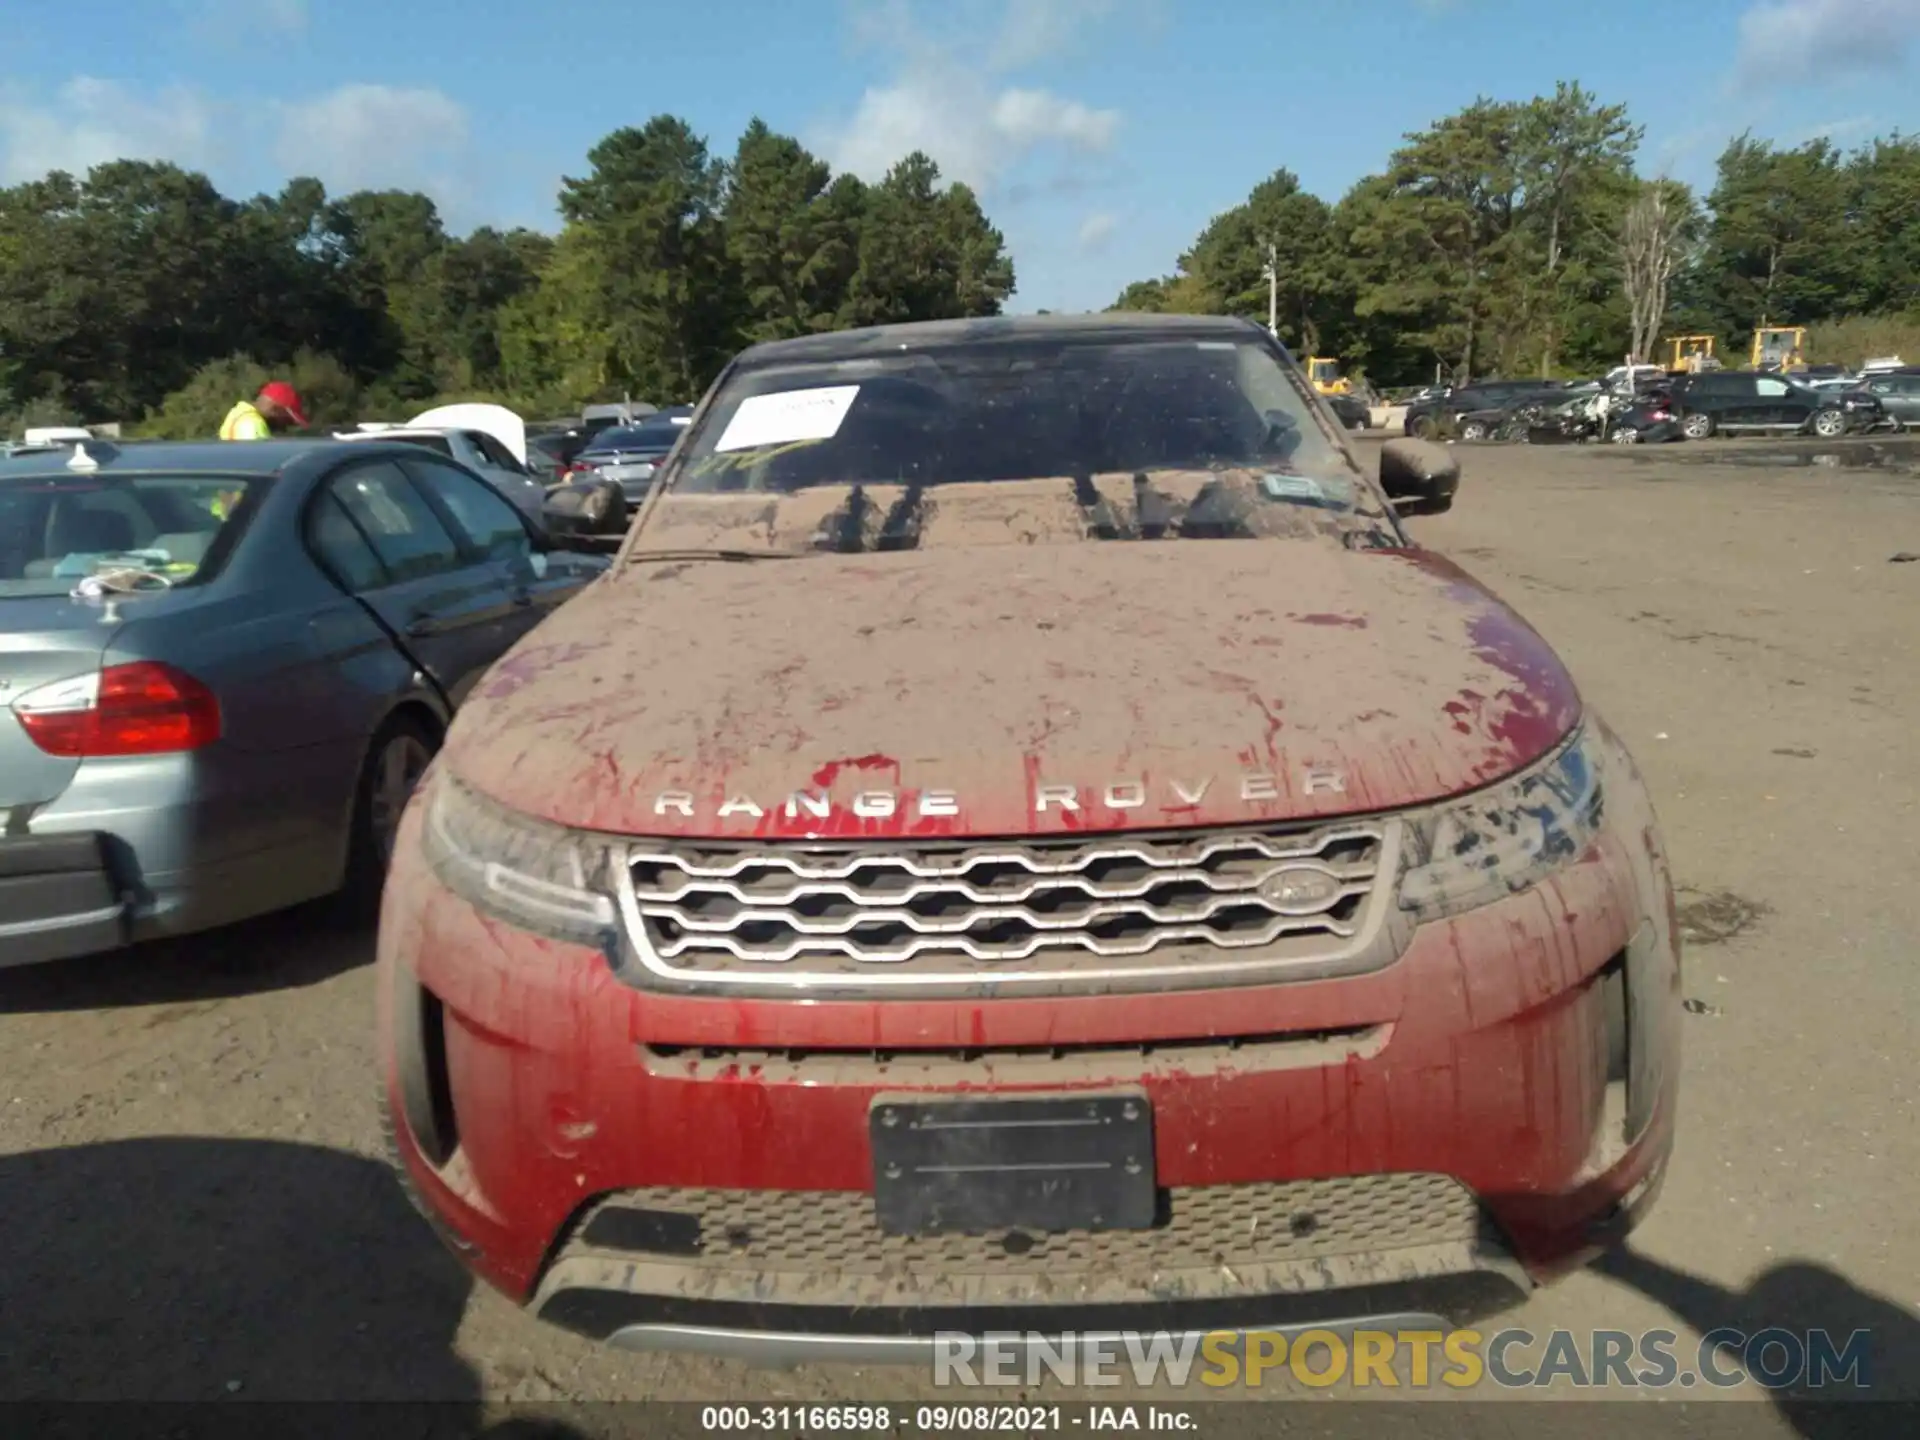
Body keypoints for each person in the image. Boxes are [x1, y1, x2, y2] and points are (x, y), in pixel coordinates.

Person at [219, 381, 307, 441]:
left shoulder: (237, 413)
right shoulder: (253, 424)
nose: (285, 427)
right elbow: (257, 463)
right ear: (276, 409)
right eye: (287, 420)